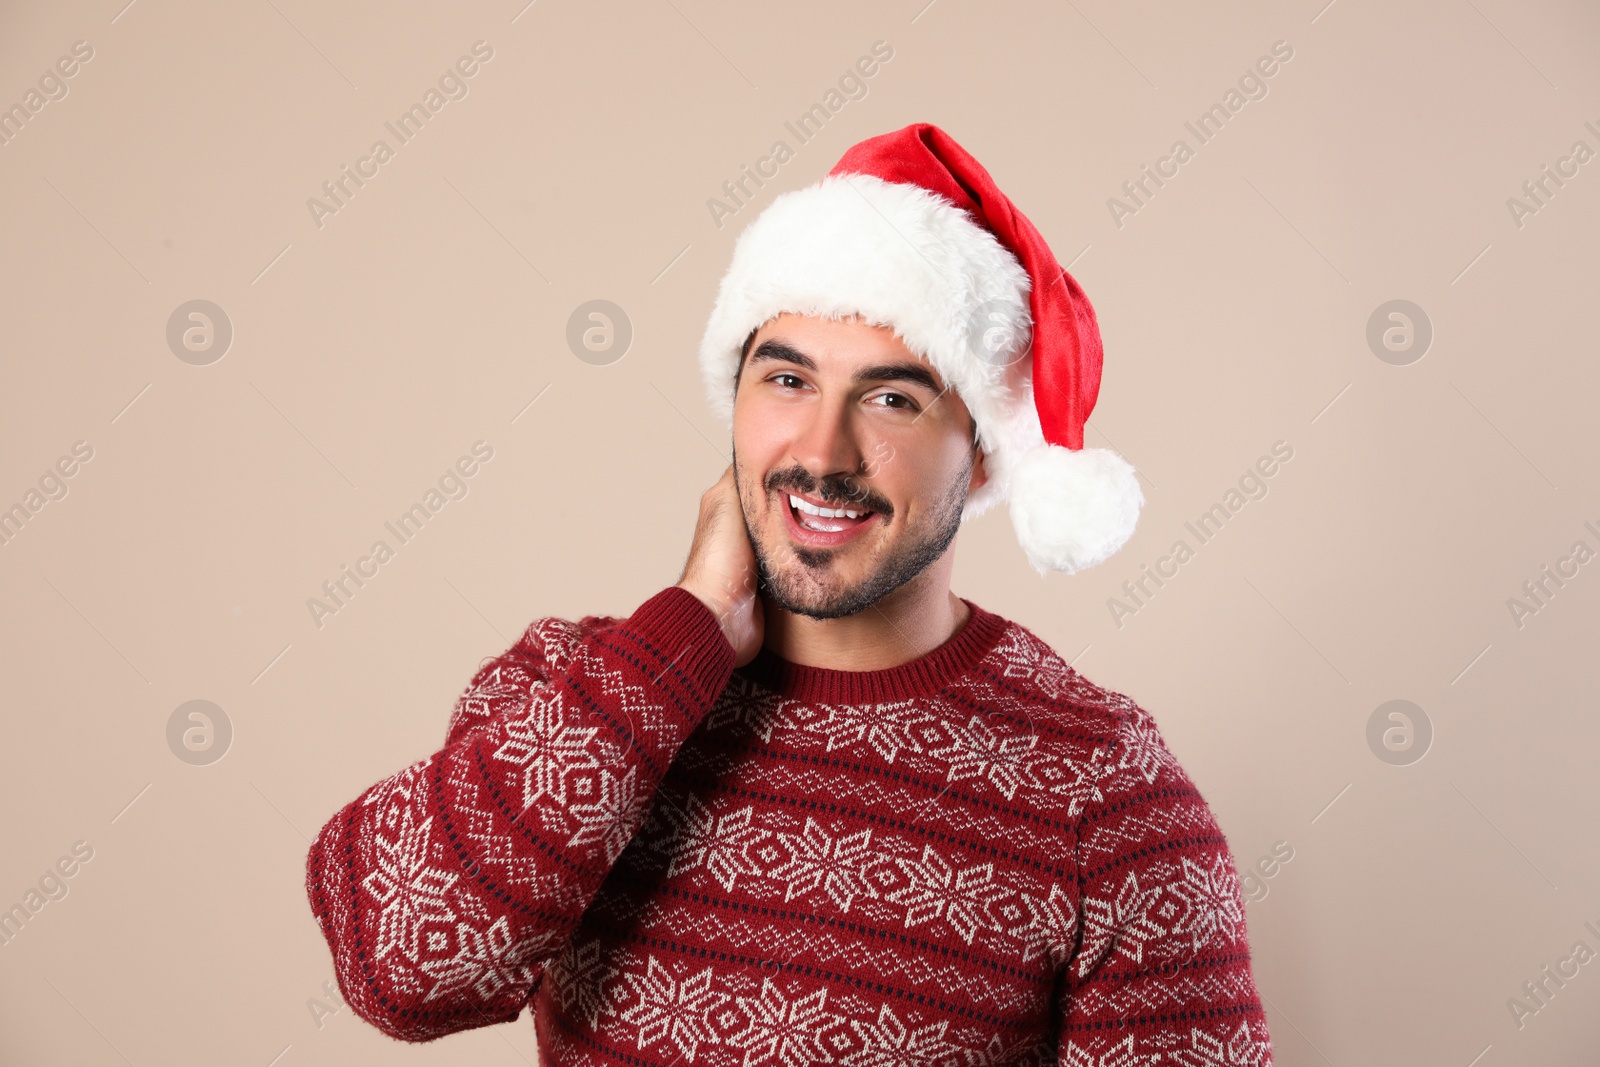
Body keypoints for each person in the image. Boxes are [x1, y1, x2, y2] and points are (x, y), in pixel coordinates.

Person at [305, 123, 1275, 1064]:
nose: (821, 451)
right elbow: (403, 969)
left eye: (893, 397)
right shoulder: (580, 683)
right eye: (787, 379)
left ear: (980, 451)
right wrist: (681, 637)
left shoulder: (1101, 789)